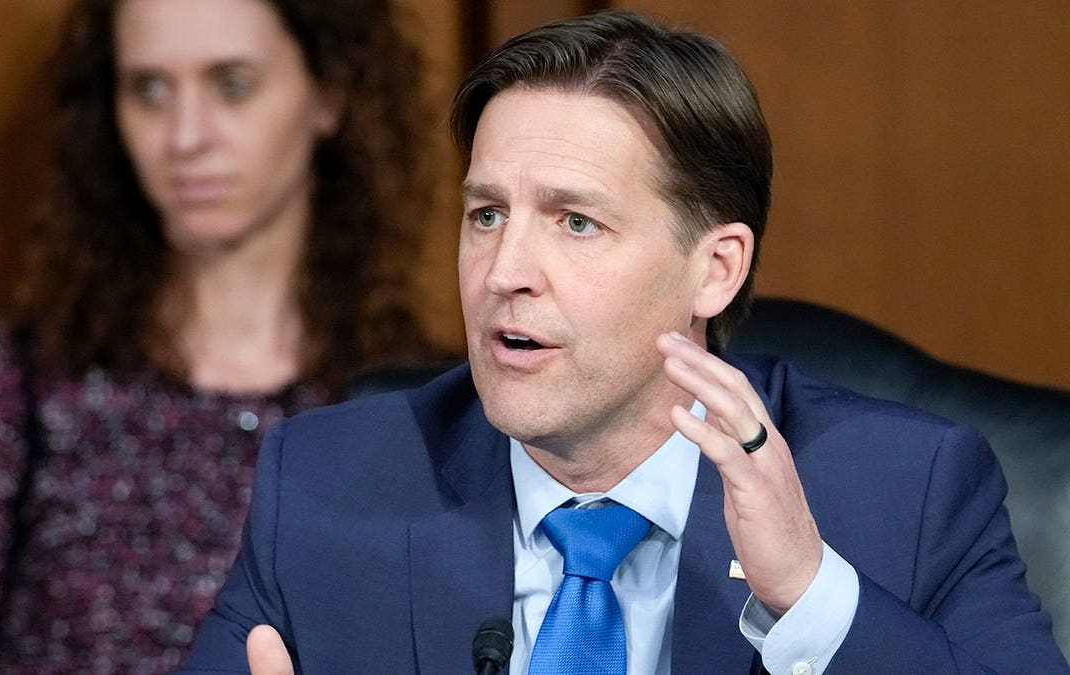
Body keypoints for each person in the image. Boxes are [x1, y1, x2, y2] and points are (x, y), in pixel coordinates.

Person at [178, 9, 1068, 675]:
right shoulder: (327, 483)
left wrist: (810, 594)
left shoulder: (908, 493)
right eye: (486, 214)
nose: (503, 270)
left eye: (576, 222)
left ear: (713, 270)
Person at [0, 0, 443, 672]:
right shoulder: (9, 382)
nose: (184, 136)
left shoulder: (425, 410)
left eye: (231, 84)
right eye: (149, 90)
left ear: (329, 94)